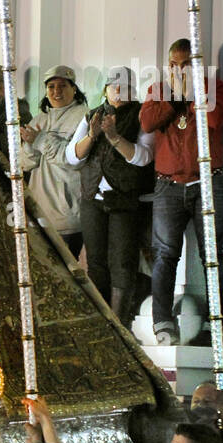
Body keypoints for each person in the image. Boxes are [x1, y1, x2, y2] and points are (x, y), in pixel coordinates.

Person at [140, 37, 223, 346]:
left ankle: (214, 323)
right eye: (173, 65)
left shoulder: (214, 87)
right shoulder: (158, 90)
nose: (179, 71)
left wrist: (192, 95)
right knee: (165, 255)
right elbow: (148, 122)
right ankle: (162, 321)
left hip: (207, 182)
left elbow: (216, 119)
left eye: (186, 64)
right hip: (168, 185)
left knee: (213, 255)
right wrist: (173, 100)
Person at [65, 66, 156, 326]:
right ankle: (100, 320)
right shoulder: (93, 115)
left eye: (125, 86)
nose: (119, 91)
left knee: (123, 262)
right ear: (105, 89)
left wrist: (115, 138)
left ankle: (120, 321)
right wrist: (93, 136)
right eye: (114, 85)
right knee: (95, 262)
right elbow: (72, 157)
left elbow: (144, 157)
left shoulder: (141, 115)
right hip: (92, 197)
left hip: (125, 199)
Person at [19, 65, 86, 258]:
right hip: (39, 212)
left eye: (63, 86)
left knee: (69, 273)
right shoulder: (40, 118)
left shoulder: (83, 117)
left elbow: (73, 160)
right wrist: (30, 145)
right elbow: (25, 163)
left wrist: (39, 140)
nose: (57, 91)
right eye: (51, 87)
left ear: (74, 89)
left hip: (68, 214)